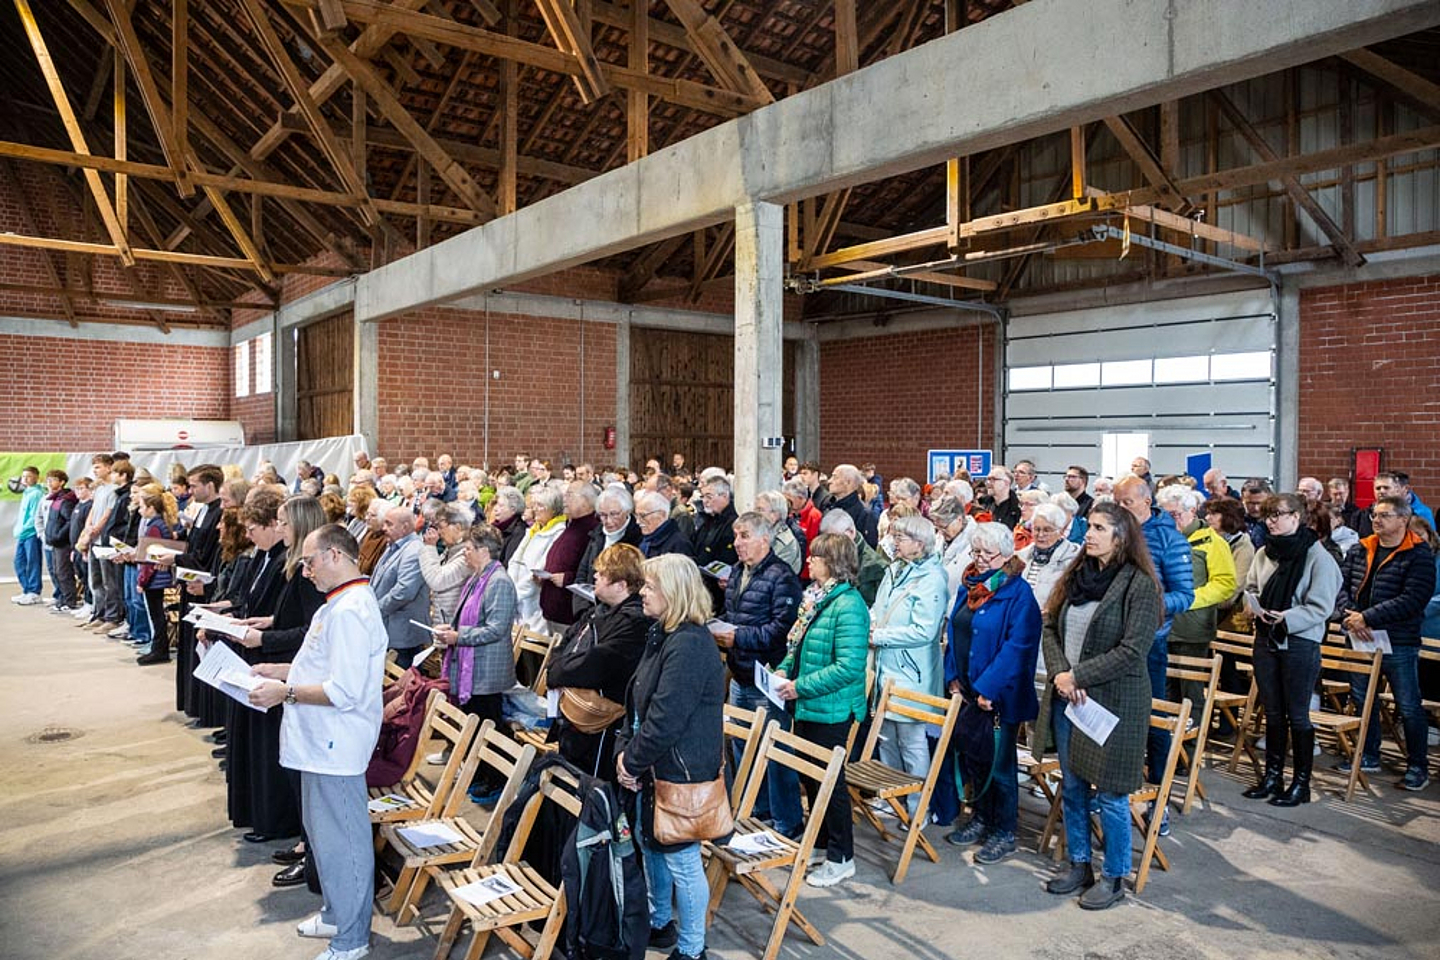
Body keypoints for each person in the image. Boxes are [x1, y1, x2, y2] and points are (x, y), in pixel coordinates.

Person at [249, 524, 387, 960]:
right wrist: (282, 671)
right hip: (317, 741)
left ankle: (352, 938)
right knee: (322, 837)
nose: (305, 571)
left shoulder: (351, 609)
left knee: (344, 842)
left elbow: (344, 691)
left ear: (334, 555)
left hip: (337, 743)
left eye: (309, 561)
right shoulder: (337, 604)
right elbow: (320, 665)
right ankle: (335, 910)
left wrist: (284, 692)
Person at [1039, 503, 1162, 910]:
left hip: (1113, 703)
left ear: (1120, 536)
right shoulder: (1077, 575)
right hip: (1068, 698)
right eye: (1088, 526)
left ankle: (1114, 876)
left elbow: (1133, 650)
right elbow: (1050, 626)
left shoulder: (1138, 585)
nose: (1088, 534)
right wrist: (1060, 673)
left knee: (1111, 794)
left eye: (1098, 528)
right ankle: (1079, 864)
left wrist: (1079, 677)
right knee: (1072, 786)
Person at [615, 555, 725, 960]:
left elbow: (666, 718)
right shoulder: (663, 633)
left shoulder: (691, 644)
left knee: (681, 860)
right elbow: (638, 702)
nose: (641, 592)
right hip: (654, 763)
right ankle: (660, 922)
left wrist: (631, 761)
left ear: (673, 592)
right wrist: (627, 752)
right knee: (652, 844)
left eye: (649, 586)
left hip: (681, 771)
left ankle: (693, 948)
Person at [772, 532, 869, 888]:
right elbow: (797, 645)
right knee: (812, 778)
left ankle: (842, 857)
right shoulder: (818, 597)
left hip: (832, 708)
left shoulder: (849, 605)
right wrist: (784, 668)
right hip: (808, 704)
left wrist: (800, 686)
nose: (809, 561)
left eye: (816, 557)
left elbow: (848, 667)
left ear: (834, 563)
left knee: (832, 783)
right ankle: (823, 842)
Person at [942, 523, 1042, 864]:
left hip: (999, 696)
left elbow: (1019, 647)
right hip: (968, 689)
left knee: (1000, 766)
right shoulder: (969, 585)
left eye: (988, 554)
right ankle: (981, 817)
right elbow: (955, 629)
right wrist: (952, 675)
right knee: (974, 758)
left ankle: (1005, 830)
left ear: (1007, 555)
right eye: (976, 552)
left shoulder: (1018, 594)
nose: (981, 559)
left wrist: (988, 688)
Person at [1237, 492, 1344, 806]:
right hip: (1266, 638)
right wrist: (1253, 605)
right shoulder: (1264, 553)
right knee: (1272, 712)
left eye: (1278, 515)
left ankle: (1301, 783)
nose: (1271, 521)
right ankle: (1272, 776)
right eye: (1268, 516)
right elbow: (1252, 587)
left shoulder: (1318, 556)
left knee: (1298, 715)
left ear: (1296, 518)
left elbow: (1322, 606)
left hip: (1299, 641)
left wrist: (1286, 617)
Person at [1113, 474, 1193, 836]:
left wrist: (1150, 605)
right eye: (1117, 503)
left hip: (1149, 643)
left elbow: (1185, 595)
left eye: (1126, 503)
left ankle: (1158, 800)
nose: (1121, 510)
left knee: (1152, 721)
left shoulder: (1167, 538)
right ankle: (1118, 795)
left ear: (1147, 502)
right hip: (1111, 642)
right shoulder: (1115, 534)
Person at [1338, 494, 1436, 791]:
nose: (1376, 520)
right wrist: (1351, 616)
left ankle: (1418, 766)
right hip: (1359, 635)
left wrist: (1368, 618)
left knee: (1408, 705)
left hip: (1398, 639)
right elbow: (1340, 586)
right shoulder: (1361, 548)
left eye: (1383, 515)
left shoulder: (1418, 554)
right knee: (1362, 698)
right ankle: (1369, 754)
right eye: (1374, 515)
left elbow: (1413, 599)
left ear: (1403, 520)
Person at [716, 511, 803, 838]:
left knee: (776, 753)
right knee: (743, 748)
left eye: (744, 536)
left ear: (764, 540)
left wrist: (739, 637)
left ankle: (789, 822)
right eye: (736, 536)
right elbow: (734, 614)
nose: (737, 543)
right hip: (739, 673)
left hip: (767, 676)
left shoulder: (782, 576)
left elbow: (783, 629)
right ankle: (761, 809)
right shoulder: (739, 571)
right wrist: (718, 625)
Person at [546, 543, 651, 780]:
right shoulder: (597, 611)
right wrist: (557, 665)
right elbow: (566, 644)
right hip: (572, 715)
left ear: (621, 584)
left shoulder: (635, 622)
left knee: (586, 783)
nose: (594, 576)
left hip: (601, 721)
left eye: (602, 574)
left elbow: (598, 664)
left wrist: (557, 671)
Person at [431, 524, 519, 804]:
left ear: (483, 551)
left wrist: (459, 636)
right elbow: (468, 617)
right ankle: (480, 773)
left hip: (486, 671)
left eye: (468, 549)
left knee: (488, 726)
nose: (465, 554)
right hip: (471, 666)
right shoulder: (476, 578)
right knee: (476, 724)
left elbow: (496, 628)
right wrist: (451, 628)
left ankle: (495, 778)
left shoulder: (499, 581)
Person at [869, 513, 949, 816]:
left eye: (900, 537)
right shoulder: (893, 570)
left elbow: (924, 630)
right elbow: (880, 608)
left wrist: (881, 636)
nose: (893, 542)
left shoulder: (932, 578)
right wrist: (873, 625)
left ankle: (919, 807)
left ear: (920, 543)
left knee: (911, 740)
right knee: (886, 735)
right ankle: (894, 799)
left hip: (911, 669)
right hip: (885, 666)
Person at [1158, 484, 1236, 710]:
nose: (1170, 521)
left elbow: (1225, 584)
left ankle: (1192, 743)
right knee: (1163, 690)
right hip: (1161, 625)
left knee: (1190, 692)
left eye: (1175, 515)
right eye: (1165, 515)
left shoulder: (1212, 542)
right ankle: (1166, 743)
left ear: (1192, 511)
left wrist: (1188, 599)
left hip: (1192, 628)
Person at [370, 504, 431, 669]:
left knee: (399, 688)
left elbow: (404, 591)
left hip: (403, 636)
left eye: (389, 524)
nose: (383, 528)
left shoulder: (414, 550)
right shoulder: (393, 545)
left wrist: (375, 610)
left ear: (405, 527)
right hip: (388, 628)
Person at [539, 481, 601, 634]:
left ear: (587, 500)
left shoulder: (592, 530)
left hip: (568, 612)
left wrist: (568, 578)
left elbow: (590, 570)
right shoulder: (572, 525)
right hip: (554, 609)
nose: (564, 499)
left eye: (569, 495)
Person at [134, 484, 180, 665]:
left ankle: (160, 649)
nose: (139, 510)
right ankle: (159, 648)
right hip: (158, 578)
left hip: (154, 580)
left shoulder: (154, 527)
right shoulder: (161, 524)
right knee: (158, 614)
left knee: (157, 616)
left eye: (142, 506)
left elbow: (150, 559)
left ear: (151, 508)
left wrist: (142, 581)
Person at [1018, 503, 1081, 628]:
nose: (1040, 535)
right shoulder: (1021, 557)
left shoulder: (1072, 561)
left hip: (1051, 628)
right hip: (1019, 623)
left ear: (1061, 531)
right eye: (1037, 529)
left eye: (1047, 530)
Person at [417, 502, 473, 625]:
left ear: (457, 527)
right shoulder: (452, 549)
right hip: (443, 619)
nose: (439, 532)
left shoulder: (468, 556)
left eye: (441, 527)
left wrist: (430, 548)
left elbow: (437, 580)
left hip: (453, 625)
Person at [41, 470, 79, 612]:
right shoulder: (54, 499)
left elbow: (70, 521)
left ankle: (70, 602)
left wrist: (58, 535)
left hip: (63, 543)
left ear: (62, 482)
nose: (49, 483)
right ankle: (62, 599)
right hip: (54, 543)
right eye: (48, 480)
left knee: (64, 573)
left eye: (53, 480)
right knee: (57, 572)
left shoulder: (66, 500)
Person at [10, 466, 44, 605]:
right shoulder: (26, 493)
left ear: (36, 477)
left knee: (32, 562)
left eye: (29, 476)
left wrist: (24, 528)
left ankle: (34, 592)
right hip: (22, 534)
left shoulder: (36, 494)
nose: (25, 479)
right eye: (23, 476)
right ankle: (27, 590)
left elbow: (34, 516)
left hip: (31, 533)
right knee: (19, 562)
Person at [635, 490, 694, 559]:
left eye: (643, 516)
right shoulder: (646, 539)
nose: (638, 521)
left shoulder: (680, 545)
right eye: (637, 516)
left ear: (661, 514)